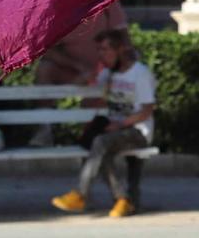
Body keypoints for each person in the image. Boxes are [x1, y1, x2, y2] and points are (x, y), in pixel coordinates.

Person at [50, 28, 156, 218]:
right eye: (99, 50)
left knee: (100, 143)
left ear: (120, 50)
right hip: (113, 131)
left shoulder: (139, 74)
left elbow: (146, 110)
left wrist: (121, 124)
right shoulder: (108, 73)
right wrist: (86, 76)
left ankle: (80, 194)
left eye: (105, 50)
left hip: (137, 131)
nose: (101, 55)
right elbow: (83, 84)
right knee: (100, 151)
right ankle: (123, 200)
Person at [32, 3, 126, 146]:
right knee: (45, 69)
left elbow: (123, 42)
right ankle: (44, 128)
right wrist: (79, 68)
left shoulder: (109, 1)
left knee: (95, 131)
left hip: (103, 73)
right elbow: (47, 51)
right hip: (72, 72)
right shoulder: (57, 8)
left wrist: (103, 71)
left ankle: (95, 136)